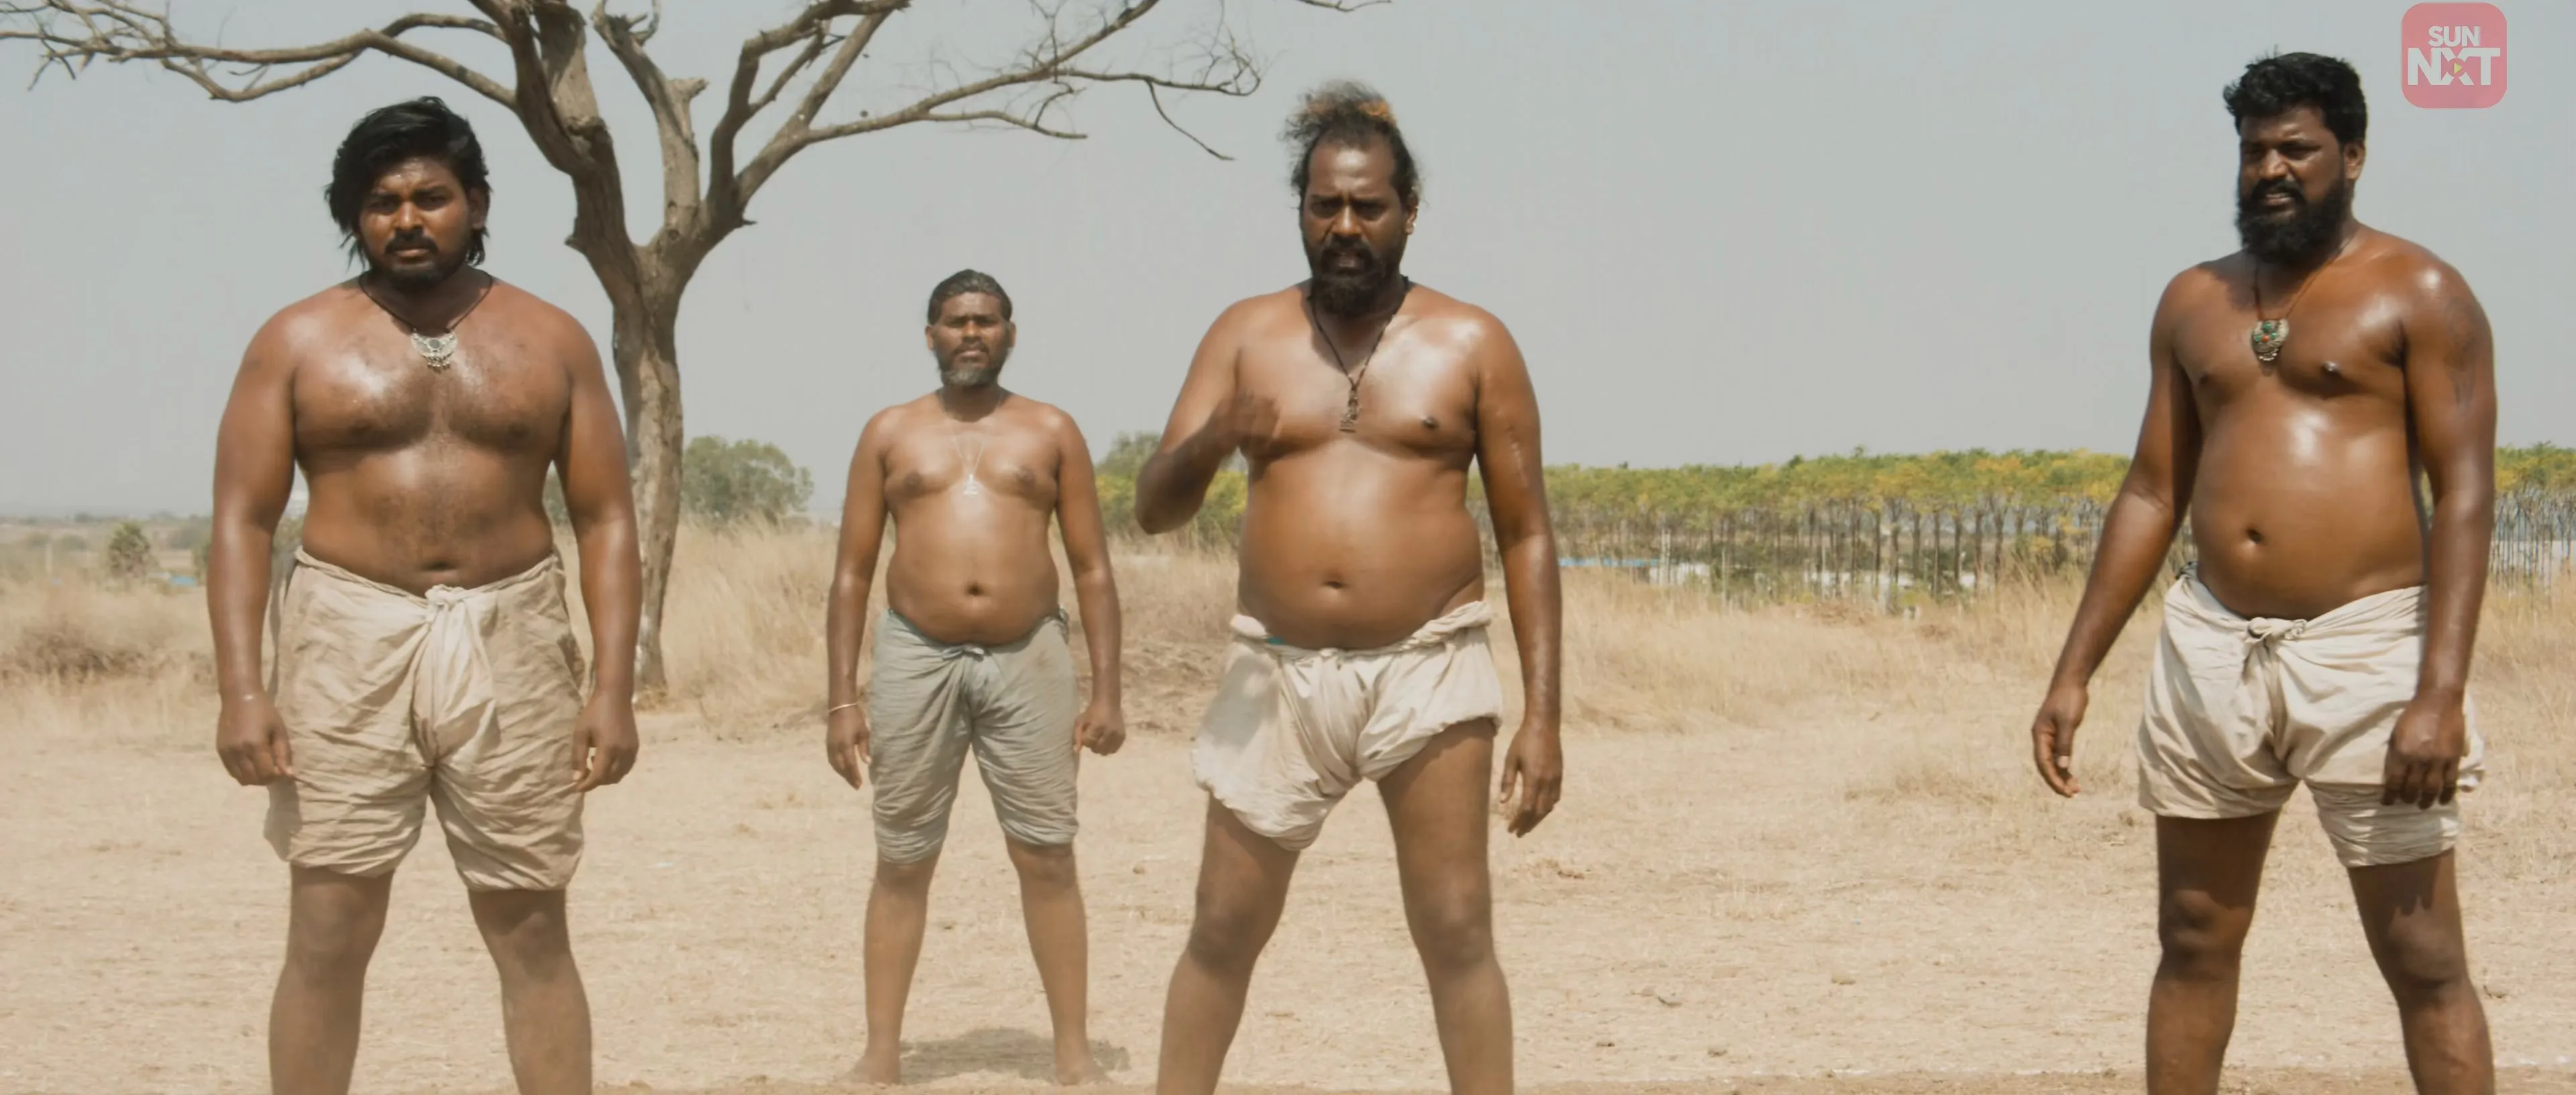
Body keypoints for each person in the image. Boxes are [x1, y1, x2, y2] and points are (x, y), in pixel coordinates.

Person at [2026, 53, 2496, 1094]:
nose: (2271, 170)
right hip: (2211, 648)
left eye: (2297, 149)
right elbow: (2152, 491)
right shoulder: (2194, 301)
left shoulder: (2421, 291)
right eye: (2253, 152)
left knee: (2423, 956)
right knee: (2193, 936)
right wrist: (2073, 672)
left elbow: (2465, 494)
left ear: (2353, 156)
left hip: (2368, 650)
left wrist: (2441, 692)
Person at [1134, 82, 1565, 1095]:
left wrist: (1544, 716)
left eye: (1368, 207)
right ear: (1300, 208)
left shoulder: (1473, 342)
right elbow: (1156, 508)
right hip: (1276, 673)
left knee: (1456, 928)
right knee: (1222, 928)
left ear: (1409, 211)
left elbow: (1528, 534)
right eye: (1324, 205)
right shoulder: (1245, 334)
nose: (1344, 227)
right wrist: (1217, 435)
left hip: (1428, 665)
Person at [206, 97, 641, 1095]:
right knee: (330, 923)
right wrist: (243, 689)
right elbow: (241, 520)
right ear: (354, 218)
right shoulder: (296, 340)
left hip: (513, 629)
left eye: (430, 198)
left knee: (530, 919)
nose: (407, 220)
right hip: (347, 634)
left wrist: (612, 688)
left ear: (476, 203)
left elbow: (607, 521)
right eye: (381, 203)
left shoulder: (553, 339)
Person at [824, 270, 1127, 1086]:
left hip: (1029, 653)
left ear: (1010, 335)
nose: (971, 334)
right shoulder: (890, 432)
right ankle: (881, 1054)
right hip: (915, 654)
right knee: (902, 857)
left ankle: (1073, 1051)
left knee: (1047, 851)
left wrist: (1107, 690)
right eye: (956, 321)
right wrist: (843, 698)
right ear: (930, 335)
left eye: (986, 321)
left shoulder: (1051, 430)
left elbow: (1093, 569)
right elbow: (851, 574)